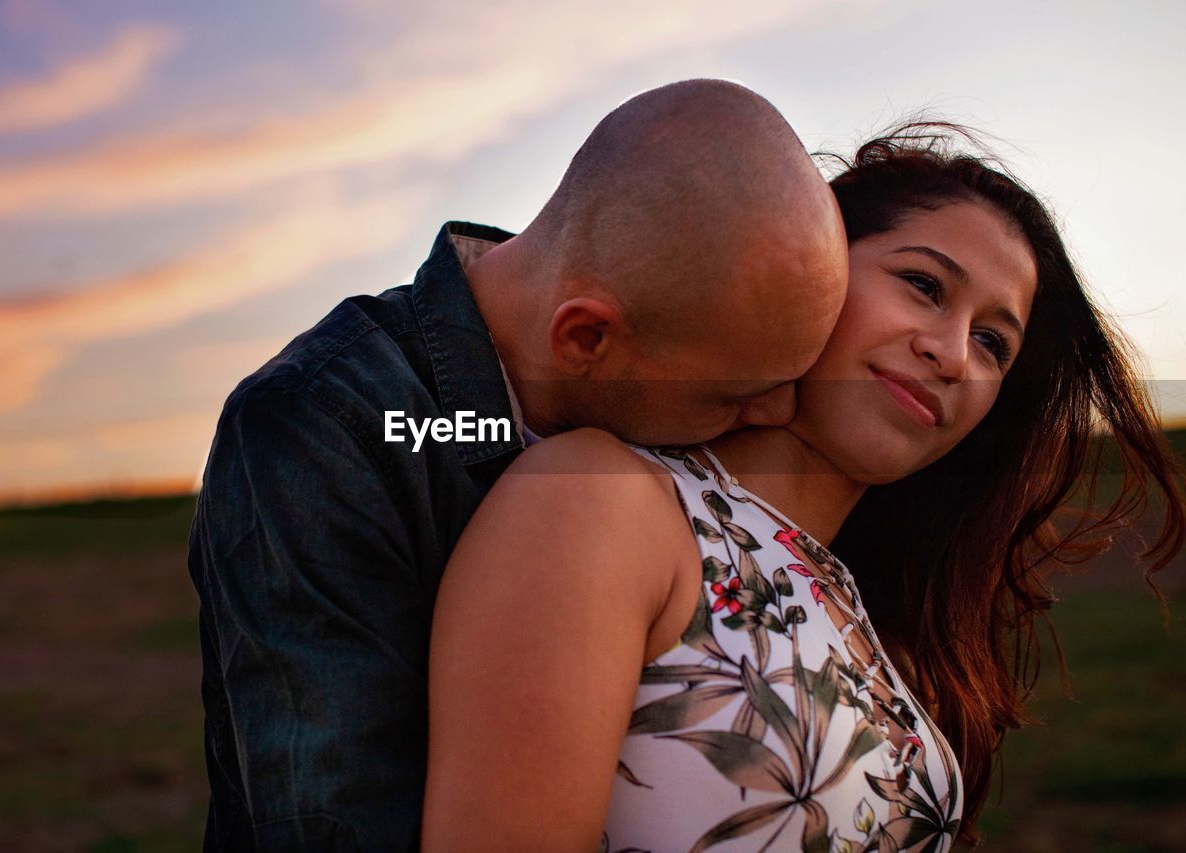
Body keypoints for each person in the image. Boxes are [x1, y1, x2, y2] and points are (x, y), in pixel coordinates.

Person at [423, 127, 1185, 851]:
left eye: (993, 342)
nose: (952, 352)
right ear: (810, 269)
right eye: (923, 285)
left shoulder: (864, 616)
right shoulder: (602, 500)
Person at [187, 79, 849, 850]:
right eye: (736, 397)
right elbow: (336, 822)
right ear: (586, 340)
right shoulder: (325, 429)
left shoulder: (650, 353)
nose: (774, 416)